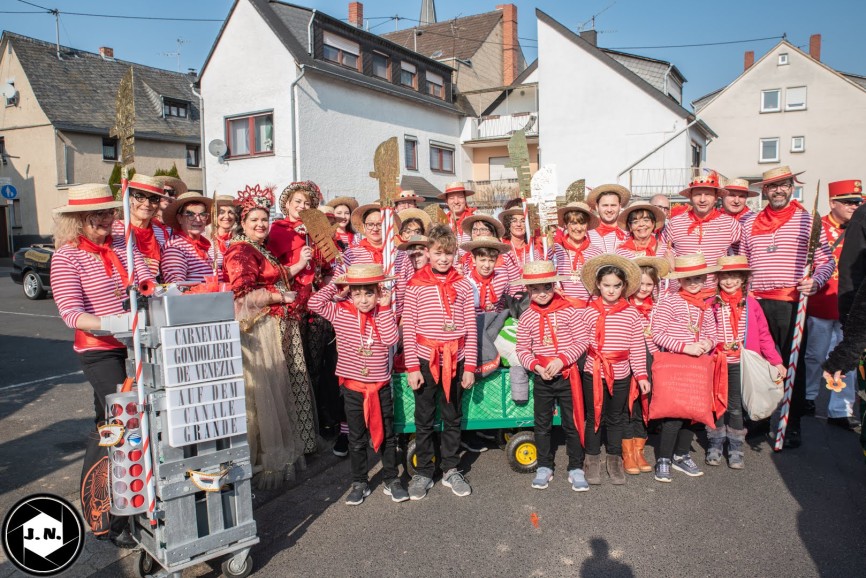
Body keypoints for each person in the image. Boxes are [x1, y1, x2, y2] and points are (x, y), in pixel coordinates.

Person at [50, 184, 153, 548]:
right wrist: (116, 322)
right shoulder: (66, 257)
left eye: (109, 213)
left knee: (107, 427)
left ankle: (119, 508)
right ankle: (108, 518)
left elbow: (143, 275)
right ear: (76, 221)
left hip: (133, 343)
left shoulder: (118, 246)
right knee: (120, 427)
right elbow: (71, 314)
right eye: (95, 216)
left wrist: (152, 289)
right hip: (98, 349)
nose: (104, 221)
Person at [224, 186, 317, 488]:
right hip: (261, 329)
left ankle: (291, 446)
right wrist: (279, 296)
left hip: (279, 322)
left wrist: (301, 264)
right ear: (242, 222)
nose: (261, 225)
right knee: (265, 393)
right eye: (254, 220)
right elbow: (242, 295)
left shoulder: (260, 248)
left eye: (264, 219)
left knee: (283, 387)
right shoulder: (240, 250)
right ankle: (264, 457)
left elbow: (276, 276)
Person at [742, 166, 835, 448]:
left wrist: (815, 282)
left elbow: (826, 261)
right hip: (756, 302)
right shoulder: (750, 223)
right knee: (758, 362)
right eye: (773, 186)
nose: (778, 190)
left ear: (791, 187)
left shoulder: (808, 221)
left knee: (791, 366)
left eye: (783, 185)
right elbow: (744, 263)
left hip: (791, 303)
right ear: (764, 191)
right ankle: (757, 418)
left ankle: (790, 424)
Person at [308, 264, 409, 505]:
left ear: (378, 292)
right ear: (350, 294)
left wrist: (385, 306)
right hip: (352, 386)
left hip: (379, 385)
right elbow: (314, 303)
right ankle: (360, 481)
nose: (364, 300)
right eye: (358, 294)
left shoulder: (382, 311)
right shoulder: (340, 311)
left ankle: (391, 479)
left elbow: (391, 339)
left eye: (369, 293)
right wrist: (337, 285)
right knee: (356, 437)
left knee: (387, 436)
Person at [402, 224, 477, 499]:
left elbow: (471, 326)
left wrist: (469, 367)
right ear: (428, 253)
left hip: (455, 359)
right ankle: (423, 471)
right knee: (424, 418)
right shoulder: (415, 285)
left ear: (455, 254)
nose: (443, 259)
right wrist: (412, 366)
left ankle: (450, 468)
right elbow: (408, 326)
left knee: (452, 416)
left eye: (448, 253)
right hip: (426, 359)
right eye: (438, 253)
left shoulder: (463, 285)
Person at [513, 260, 590, 491]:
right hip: (542, 377)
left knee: (572, 423)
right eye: (535, 289)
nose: (542, 293)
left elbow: (582, 341)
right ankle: (544, 466)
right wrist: (536, 367)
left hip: (567, 375)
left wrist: (562, 360)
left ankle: (576, 467)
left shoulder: (569, 311)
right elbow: (522, 349)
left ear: (554, 285)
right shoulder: (526, 317)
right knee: (542, 424)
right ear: (528, 290)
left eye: (546, 287)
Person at [579, 255, 650, 485]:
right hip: (594, 371)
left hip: (621, 373)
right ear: (598, 285)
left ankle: (614, 458)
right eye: (606, 285)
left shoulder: (631, 314)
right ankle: (591, 458)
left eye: (616, 286)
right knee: (594, 416)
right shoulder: (589, 311)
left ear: (624, 287)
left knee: (616, 416)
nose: (611, 290)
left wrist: (641, 374)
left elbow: (637, 346)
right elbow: (580, 341)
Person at [708, 256, 784, 468]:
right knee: (716, 405)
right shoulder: (711, 304)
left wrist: (775, 361)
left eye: (734, 276)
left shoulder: (751, 305)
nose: (729, 281)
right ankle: (715, 443)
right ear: (718, 279)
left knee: (734, 406)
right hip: (717, 362)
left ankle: (735, 447)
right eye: (724, 277)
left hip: (741, 363)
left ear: (743, 279)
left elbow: (763, 335)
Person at [651, 254, 720, 482]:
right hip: (674, 362)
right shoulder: (669, 301)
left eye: (698, 278)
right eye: (689, 278)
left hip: (697, 366)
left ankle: (681, 455)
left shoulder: (705, 305)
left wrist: (707, 343)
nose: (694, 282)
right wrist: (684, 347)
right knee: (673, 415)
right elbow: (658, 333)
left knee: (693, 412)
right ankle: (663, 458)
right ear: (680, 280)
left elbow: (713, 333)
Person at [804, 180, 863, 429]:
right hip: (822, 303)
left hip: (853, 306)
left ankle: (841, 409)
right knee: (815, 355)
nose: (854, 206)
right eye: (848, 202)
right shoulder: (818, 228)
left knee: (847, 357)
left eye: (857, 202)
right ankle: (809, 396)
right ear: (833, 203)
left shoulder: (860, 227)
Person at [623, 256, 669, 474]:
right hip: (627, 358)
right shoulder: (623, 306)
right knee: (626, 404)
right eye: (640, 283)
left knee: (644, 402)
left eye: (649, 284)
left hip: (651, 359)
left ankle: (639, 449)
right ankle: (627, 452)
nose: (644, 288)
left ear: (655, 285)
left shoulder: (659, 308)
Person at [662, 171, 742, 287]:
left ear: (715, 198)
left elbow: (741, 255)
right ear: (690, 197)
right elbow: (664, 252)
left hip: (714, 293)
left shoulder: (731, 224)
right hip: (681, 291)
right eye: (698, 194)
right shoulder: (675, 223)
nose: (702, 199)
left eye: (708, 194)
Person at [113, 174, 172, 278]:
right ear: (128, 198)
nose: (147, 203)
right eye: (140, 197)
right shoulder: (114, 230)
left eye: (153, 199)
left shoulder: (160, 233)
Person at [161, 192, 224, 284]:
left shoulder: (200, 246)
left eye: (202, 214)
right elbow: (176, 289)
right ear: (180, 218)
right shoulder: (175, 248)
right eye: (190, 214)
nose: (198, 219)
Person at [549, 202, 601, 306]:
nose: (578, 228)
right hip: (562, 309)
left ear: (587, 225)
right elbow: (546, 280)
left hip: (589, 310)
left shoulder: (597, 254)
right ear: (565, 225)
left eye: (582, 223)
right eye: (573, 223)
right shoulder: (555, 251)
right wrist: (553, 289)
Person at [499, 198, 544, 268]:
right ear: (507, 224)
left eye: (523, 221)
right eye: (514, 221)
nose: (518, 224)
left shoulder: (535, 248)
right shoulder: (501, 248)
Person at [587, 184, 631, 254]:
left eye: (613, 205)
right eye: (605, 205)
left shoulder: (630, 230)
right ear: (597, 207)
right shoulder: (587, 232)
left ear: (620, 207)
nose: (609, 210)